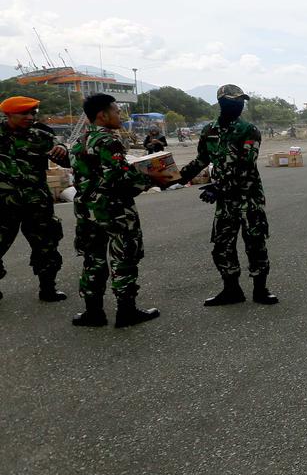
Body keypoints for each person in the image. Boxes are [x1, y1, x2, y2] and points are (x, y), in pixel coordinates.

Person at [69, 94, 176, 327]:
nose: (120, 116)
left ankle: (93, 313)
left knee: (93, 260)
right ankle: (126, 311)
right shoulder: (109, 141)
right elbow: (119, 180)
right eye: (116, 111)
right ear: (102, 115)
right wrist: (151, 178)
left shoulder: (79, 141)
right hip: (113, 209)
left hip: (87, 210)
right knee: (123, 258)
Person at [178, 85, 279, 306]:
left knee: (255, 243)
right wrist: (177, 177)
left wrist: (218, 187)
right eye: (234, 101)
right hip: (226, 202)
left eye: (242, 101)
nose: (239, 105)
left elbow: (245, 164)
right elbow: (202, 159)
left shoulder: (249, 130)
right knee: (222, 245)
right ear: (222, 103)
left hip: (249, 198)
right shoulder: (209, 130)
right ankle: (231, 290)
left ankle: (260, 289)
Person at [0, 95, 70, 302]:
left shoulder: (41, 135)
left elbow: (66, 158)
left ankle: (48, 288)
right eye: (24, 113)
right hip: (2, 205)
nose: (30, 117)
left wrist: (63, 149)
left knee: (46, 245)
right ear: (8, 114)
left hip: (37, 204)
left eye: (33, 113)